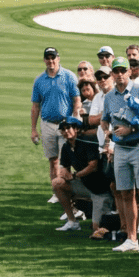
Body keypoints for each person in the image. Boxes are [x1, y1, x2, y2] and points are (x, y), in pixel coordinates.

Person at [102, 57, 139, 253]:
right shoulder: (109, 96)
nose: (119, 74)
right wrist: (108, 132)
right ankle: (132, 238)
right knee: (126, 193)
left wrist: (129, 129)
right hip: (120, 149)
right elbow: (104, 120)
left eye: (122, 70)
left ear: (128, 72)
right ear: (112, 74)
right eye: (116, 71)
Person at [31, 47, 82, 201]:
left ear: (58, 58)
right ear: (44, 60)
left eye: (53, 57)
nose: (51, 61)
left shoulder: (69, 76)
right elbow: (35, 106)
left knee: (66, 161)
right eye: (48, 58)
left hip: (65, 125)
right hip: (47, 124)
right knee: (53, 160)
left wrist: (75, 119)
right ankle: (56, 192)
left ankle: (69, 192)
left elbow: (77, 100)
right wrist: (33, 129)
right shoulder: (39, 80)